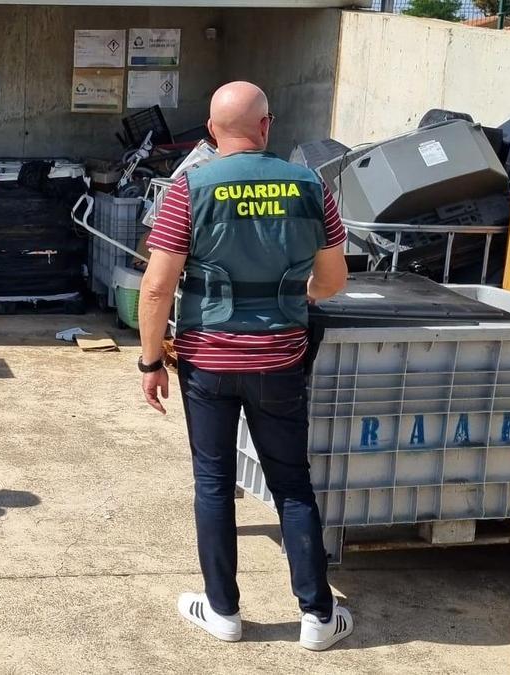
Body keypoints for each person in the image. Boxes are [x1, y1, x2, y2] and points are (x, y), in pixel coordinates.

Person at [136, 81, 353, 650]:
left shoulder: (189, 186)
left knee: (213, 482)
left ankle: (224, 612)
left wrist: (150, 361)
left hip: (206, 361)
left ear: (211, 131)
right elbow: (332, 282)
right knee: (292, 484)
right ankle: (316, 617)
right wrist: (294, 290)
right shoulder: (310, 185)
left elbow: (157, 289)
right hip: (280, 359)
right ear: (267, 125)